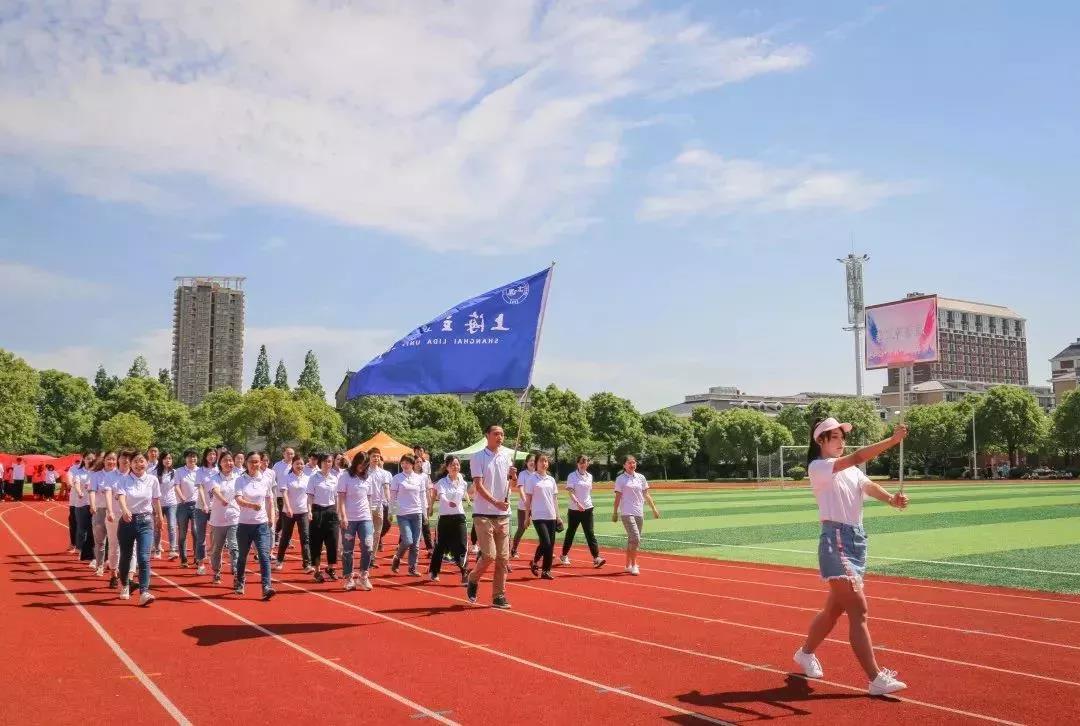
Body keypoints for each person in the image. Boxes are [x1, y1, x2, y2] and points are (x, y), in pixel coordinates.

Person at [792, 418, 911, 697]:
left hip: (857, 541)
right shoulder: (819, 467)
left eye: (841, 437)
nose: (840, 441)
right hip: (836, 541)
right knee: (858, 610)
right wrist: (892, 441)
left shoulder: (851, 471)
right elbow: (857, 456)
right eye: (834, 437)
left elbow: (868, 486)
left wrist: (891, 500)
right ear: (819, 440)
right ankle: (875, 678)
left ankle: (805, 653)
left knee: (834, 610)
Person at [465, 425, 515, 608]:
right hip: (483, 513)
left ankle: (498, 596)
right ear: (487, 436)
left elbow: (511, 485)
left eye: (502, 434)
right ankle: (473, 577)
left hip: (503, 515)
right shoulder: (478, 457)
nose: (500, 437)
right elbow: (478, 485)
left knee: (503, 558)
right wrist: (495, 502)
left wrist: (513, 477)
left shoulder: (506, 457)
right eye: (496, 434)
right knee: (489, 555)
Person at [114, 452, 164, 605]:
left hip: (145, 522)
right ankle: (125, 584)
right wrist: (124, 509)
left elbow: (155, 500)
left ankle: (144, 592)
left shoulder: (152, 480)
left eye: (141, 461)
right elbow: (121, 496)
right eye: (135, 461)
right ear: (130, 464)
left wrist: (160, 517)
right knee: (126, 556)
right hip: (127, 521)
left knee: (143, 557)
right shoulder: (123, 480)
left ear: (147, 463)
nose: (139, 464)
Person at [233, 451, 277, 600]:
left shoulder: (265, 479)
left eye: (257, 462)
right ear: (246, 463)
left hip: (261, 525)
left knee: (264, 555)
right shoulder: (240, 480)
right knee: (242, 557)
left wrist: (271, 517)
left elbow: (269, 500)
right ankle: (239, 581)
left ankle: (266, 586)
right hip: (244, 525)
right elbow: (238, 500)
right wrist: (252, 505)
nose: (255, 464)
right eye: (252, 461)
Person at [612, 455, 660, 576]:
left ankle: (627, 564)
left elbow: (646, 494)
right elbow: (617, 497)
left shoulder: (641, 478)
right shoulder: (620, 479)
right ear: (624, 465)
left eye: (634, 463)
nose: (632, 465)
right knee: (636, 539)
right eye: (629, 463)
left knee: (632, 540)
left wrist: (654, 508)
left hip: (639, 512)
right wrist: (615, 512)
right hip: (627, 512)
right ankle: (634, 565)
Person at [336, 452, 376, 592]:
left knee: (368, 546)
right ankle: (348, 578)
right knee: (348, 550)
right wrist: (343, 516)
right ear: (355, 463)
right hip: (349, 518)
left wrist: (370, 518)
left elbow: (369, 499)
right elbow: (340, 498)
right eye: (360, 464)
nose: (362, 467)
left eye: (365, 465)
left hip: (365, 517)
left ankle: (363, 576)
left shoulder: (368, 477)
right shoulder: (345, 476)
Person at [429, 456, 469, 584]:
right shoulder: (442, 482)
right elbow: (441, 495)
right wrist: (448, 502)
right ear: (447, 467)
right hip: (445, 518)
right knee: (440, 546)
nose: (455, 467)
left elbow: (464, 493)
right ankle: (434, 571)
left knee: (462, 545)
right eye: (452, 464)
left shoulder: (463, 482)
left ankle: (464, 571)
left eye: (457, 464)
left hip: (459, 517)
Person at [561, 455, 605, 568]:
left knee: (590, 533)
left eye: (585, 462)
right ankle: (564, 555)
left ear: (588, 464)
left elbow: (587, 492)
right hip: (575, 509)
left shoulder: (589, 476)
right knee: (571, 532)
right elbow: (570, 492)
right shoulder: (572, 476)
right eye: (581, 462)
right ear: (577, 463)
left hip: (588, 508)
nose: (583, 464)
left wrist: (586, 504)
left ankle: (596, 558)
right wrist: (577, 503)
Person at [524, 454, 561, 580]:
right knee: (546, 542)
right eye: (541, 461)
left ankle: (546, 570)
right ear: (536, 463)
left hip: (551, 515)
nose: (544, 463)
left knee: (550, 545)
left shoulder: (551, 480)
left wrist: (558, 516)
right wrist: (526, 517)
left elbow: (555, 499)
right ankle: (535, 561)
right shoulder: (531, 479)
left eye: (546, 461)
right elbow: (528, 500)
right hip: (538, 516)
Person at [389, 454, 427, 576]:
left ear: (413, 464)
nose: (405, 465)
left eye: (407, 463)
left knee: (415, 544)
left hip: (417, 513)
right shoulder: (397, 478)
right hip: (403, 514)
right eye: (403, 463)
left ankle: (412, 568)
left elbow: (422, 497)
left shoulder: (419, 478)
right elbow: (392, 497)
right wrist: (391, 511)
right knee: (408, 540)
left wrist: (424, 513)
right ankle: (397, 557)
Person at [207, 450, 240, 586]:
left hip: (235, 517)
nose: (229, 463)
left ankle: (238, 573)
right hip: (218, 519)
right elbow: (215, 490)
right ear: (220, 463)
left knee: (234, 546)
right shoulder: (214, 477)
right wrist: (222, 499)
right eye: (225, 461)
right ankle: (216, 572)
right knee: (216, 548)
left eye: (230, 460)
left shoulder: (239, 477)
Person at [276, 456, 313, 573]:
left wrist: (310, 510)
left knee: (305, 538)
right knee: (285, 537)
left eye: (302, 464)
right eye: (297, 464)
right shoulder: (287, 478)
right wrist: (288, 507)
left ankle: (307, 564)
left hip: (303, 511)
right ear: (292, 465)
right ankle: (279, 560)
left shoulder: (308, 478)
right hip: (289, 512)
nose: (300, 466)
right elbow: (284, 494)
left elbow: (309, 496)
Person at [306, 453, 339, 582]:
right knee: (317, 542)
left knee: (333, 541)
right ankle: (317, 570)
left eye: (330, 461)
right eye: (325, 461)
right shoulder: (313, 477)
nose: (327, 464)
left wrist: (339, 512)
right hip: (317, 510)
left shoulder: (335, 478)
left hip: (331, 511)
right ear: (320, 463)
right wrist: (309, 511)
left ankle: (330, 568)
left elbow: (337, 497)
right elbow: (309, 496)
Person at [88, 452, 115, 578]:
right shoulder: (96, 475)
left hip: (116, 512)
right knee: (100, 541)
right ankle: (100, 565)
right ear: (104, 461)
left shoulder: (120, 475)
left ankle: (114, 565)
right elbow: (92, 491)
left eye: (114, 459)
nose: (111, 462)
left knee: (115, 541)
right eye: (109, 459)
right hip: (100, 510)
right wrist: (93, 505)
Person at [193, 448, 219, 576]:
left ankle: (214, 559)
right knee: (201, 537)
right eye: (210, 454)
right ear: (205, 456)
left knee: (216, 536)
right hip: (201, 508)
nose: (212, 456)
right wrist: (204, 504)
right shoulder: (200, 471)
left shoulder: (219, 470)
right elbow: (201, 488)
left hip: (217, 507)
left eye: (214, 454)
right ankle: (201, 562)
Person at [173, 450, 200, 566]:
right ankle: (183, 559)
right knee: (183, 533)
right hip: (183, 505)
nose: (192, 459)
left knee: (195, 532)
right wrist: (181, 496)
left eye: (194, 457)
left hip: (196, 505)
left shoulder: (200, 471)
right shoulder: (179, 471)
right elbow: (176, 485)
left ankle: (197, 558)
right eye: (189, 457)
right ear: (185, 459)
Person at [509, 453, 537, 560]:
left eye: (534, 461)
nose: (532, 463)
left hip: (537, 507)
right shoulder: (523, 474)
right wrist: (526, 501)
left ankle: (545, 549)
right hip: (523, 506)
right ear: (526, 462)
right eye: (530, 460)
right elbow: (520, 488)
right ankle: (514, 549)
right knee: (521, 528)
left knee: (541, 527)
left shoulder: (538, 474)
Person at [368, 448, 392, 563]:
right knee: (368, 532)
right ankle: (366, 554)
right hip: (366, 506)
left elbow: (386, 488)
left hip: (379, 506)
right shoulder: (364, 472)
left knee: (377, 533)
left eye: (378, 456)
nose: (376, 458)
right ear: (369, 457)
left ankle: (372, 557)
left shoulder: (384, 473)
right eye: (374, 456)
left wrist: (389, 501)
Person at [152, 452, 178, 560]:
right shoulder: (154, 473)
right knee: (158, 527)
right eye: (165, 458)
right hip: (158, 504)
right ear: (161, 460)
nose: (168, 460)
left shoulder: (175, 473)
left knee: (172, 526)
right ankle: (157, 549)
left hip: (171, 503)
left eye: (170, 458)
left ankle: (172, 549)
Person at [73, 453, 96, 561]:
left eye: (92, 458)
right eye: (88, 458)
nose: (90, 460)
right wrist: (79, 492)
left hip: (94, 504)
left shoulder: (97, 472)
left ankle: (91, 553)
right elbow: (76, 483)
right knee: (82, 529)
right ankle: (80, 549)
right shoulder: (78, 471)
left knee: (93, 529)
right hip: (81, 503)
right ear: (84, 460)